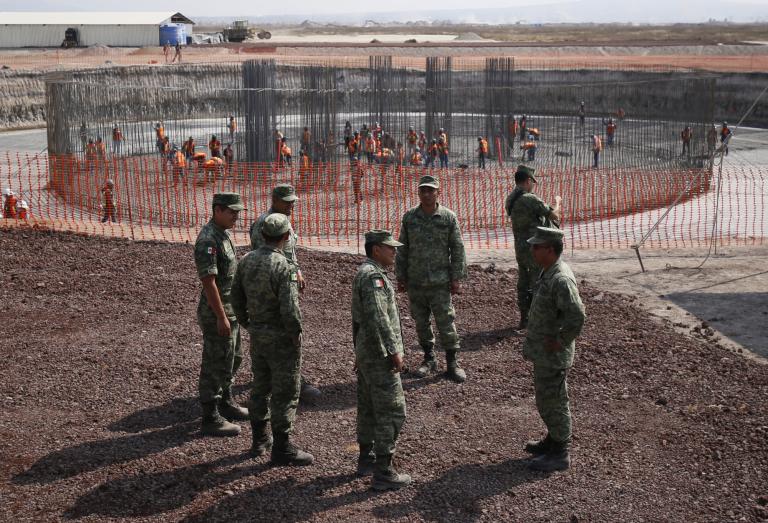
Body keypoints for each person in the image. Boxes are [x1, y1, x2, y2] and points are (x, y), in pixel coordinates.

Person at [232, 213, 314, 466]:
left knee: (260, 386)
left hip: (258, 334)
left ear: (263, 234)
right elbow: (289, 307)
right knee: (286, 392)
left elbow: (235, 297)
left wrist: (249, 323)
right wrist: (295, 333)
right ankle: (283, 447)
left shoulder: (246, 261)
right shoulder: (284, 266)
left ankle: (259, 440)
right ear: (286, 236)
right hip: (280, 336)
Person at [249, 184, 321, 403]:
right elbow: (266, 259)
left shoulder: (283, 220)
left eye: (293, 201)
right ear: (275, 200)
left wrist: (296, 269)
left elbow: (288, 252)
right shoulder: (266, 223)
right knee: (283, 330)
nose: (291, 205)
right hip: (271, 287)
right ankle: (291, 380)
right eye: (287, 201)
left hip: (284, 281)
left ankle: (277, 376)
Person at [522, 226, 585, 472]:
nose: (532, 250)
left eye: (536, 246)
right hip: (545, 352)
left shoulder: (560, 279)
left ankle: (560, 452)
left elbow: (577, 316)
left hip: (553, 355)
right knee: (546, 398)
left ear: (550, 249)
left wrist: (561, 340)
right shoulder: (549, 271)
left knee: (554, 401)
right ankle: (553, 438)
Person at [352, 229, 411, 490]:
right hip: (379, 355)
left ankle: (367, 458)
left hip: (367, 352)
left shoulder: (364, 273)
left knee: (368, 407)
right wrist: (393, 350)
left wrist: (358, 351)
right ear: (376, 249)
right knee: (392, 410)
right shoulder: (373, 277)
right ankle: (384, 472)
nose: (394, 252)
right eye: (390, 248)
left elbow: (358, 319)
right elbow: (378, 316)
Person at [396, 175, 467, 382]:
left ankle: (452, 363)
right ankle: (429, 359)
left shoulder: (448, 217)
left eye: (430, 190)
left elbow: (457, 248)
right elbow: (402, 249)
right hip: (416, 282)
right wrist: (401, 276)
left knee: (446, 321)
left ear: (438, 192)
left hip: (440, 282)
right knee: (421, 322)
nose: (426, 194)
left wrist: (456, 277)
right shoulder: (409, 218)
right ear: (418, 193)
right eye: (423, 190)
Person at [194, 192, 250, 437]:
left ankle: (226, 401)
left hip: (231, 310)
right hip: (217, 312)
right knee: (215, 362)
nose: (236, 216)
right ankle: (210, 416)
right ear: (217, 210)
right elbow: (209, 282)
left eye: (237, 212)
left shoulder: (223, 235)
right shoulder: (208, 239)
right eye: (231, 211)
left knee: (233, 358)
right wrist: (220, 316)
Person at [504, 166, 561, 330]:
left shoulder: (511, 198)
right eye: (532, 182)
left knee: (523, 283)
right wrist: (557, 202)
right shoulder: (530, 199)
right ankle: (537, 321)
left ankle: (524, 319)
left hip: (520, 248)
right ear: (528, 181)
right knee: (538, 283)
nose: (533, 185)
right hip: (535, 249)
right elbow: (554, 215)